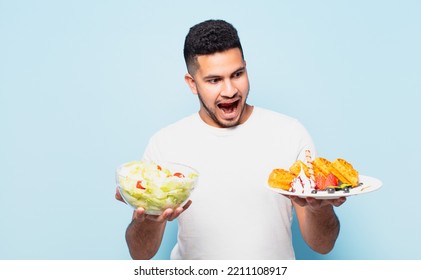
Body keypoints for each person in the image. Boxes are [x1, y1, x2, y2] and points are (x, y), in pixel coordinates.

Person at [115, 19, 346, 260]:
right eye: (214, 80)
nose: (230, 91)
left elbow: (323, 245)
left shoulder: (290, 133)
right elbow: (140, 254)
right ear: (192, 84)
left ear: (246, 67)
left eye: (237, 74)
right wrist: (150, 219)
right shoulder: (165, 143)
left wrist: (321, 207)